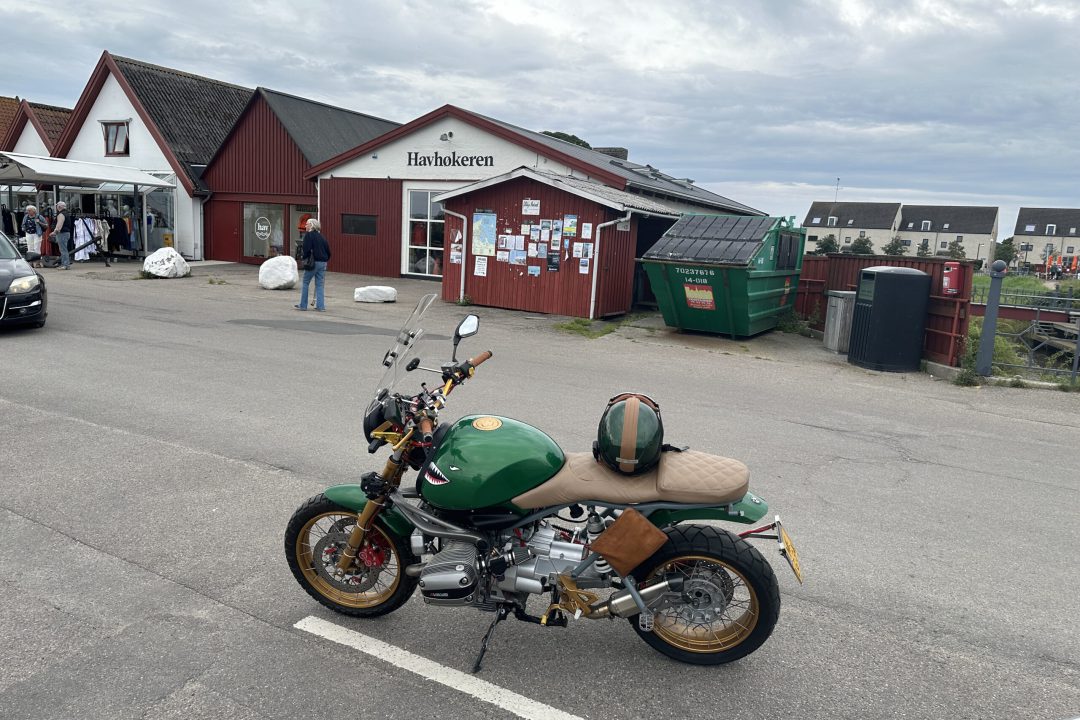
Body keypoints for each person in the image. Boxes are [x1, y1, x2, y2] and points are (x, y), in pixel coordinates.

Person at [295, 218, 331, 311]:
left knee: (306, 282)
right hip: (323, 263)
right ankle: (321, 306)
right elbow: (328, 251)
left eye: (307, 224)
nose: (305, 226)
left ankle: (303, 305)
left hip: (313, 263)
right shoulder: (322, 237)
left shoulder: (308, 236)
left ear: (311, 225)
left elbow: (306, 250)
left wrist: (304, 259)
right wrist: (325, 259)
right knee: (319, 285)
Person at [53, 201, 72, 270]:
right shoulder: (66, 213)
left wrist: (54, 232)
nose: (56, 208)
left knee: (63, 250)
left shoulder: (61, 214)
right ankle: (65, 264)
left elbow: (59, 225)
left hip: (62, 233)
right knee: (64, 249)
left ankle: (65, 265)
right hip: (66, 233)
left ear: (59, 207)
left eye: (57, 206)